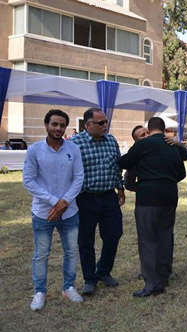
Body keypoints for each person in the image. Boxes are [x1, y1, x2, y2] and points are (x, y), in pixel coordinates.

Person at [23, 109, 85, 310]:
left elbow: (78, 178)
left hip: (70, 211)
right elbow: (28, 181)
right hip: (43, 212)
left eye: (61, 125)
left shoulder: (73, 149)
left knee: (71, 252)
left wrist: (64, 202)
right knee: (41, 253)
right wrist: (54, 201)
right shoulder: (35, 150)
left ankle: (68, 288)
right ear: (46, 125)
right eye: (54, 124)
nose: (58, 128)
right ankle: (39, 291)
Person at [120, 117, 186, 297]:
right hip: (170, 195)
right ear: (164, 129)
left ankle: (152, 283)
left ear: (149, 130)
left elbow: (123, 162)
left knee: (148, 239)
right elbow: (181, 172)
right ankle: (164, 275)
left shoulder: (143, 145)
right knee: (166, 235)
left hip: (148, 197)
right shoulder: (172, 146)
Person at [70, 107, 125, 296]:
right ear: (88, 125)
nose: (105, 125)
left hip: (109, 197)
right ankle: (89, 279)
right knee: (86, 240)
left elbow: (117, 167)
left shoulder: (111, 141)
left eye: (106, 122)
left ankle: (103, 271)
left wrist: (121, 188)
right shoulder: (75, 144)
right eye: (100, 123)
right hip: (85, 199)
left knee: (114, 234)